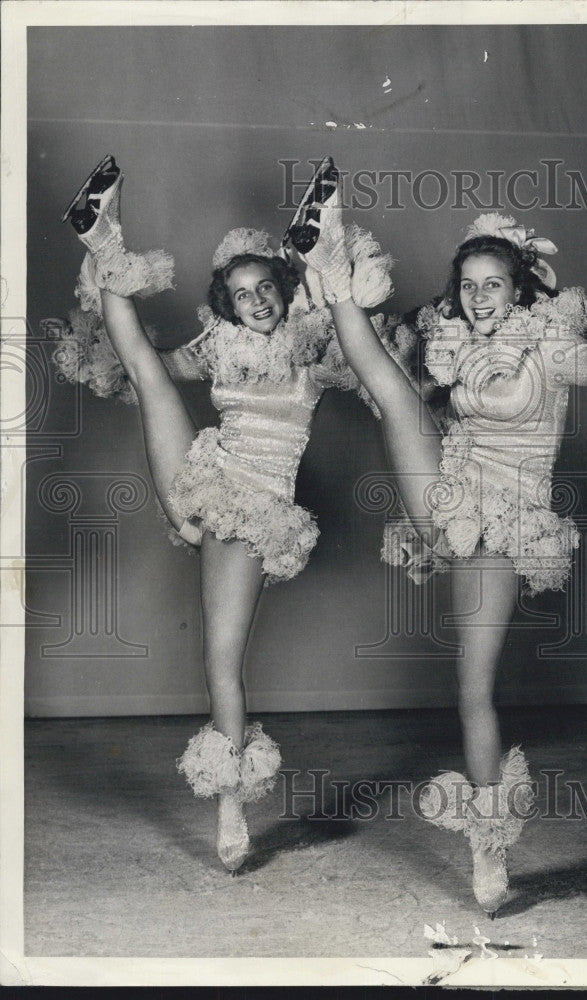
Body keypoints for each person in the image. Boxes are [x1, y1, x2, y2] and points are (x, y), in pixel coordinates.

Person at [285, 160, 587, 917]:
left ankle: (489, 855)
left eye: (492, 284)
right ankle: (325, 249)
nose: (476, 298)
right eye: (467, 284)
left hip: (505, 519)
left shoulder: (554, 346)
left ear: (520, 288)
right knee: (392, 389)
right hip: (446, 490)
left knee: (473, 689)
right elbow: (393, 363)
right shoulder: (451, 341)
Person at [52, 155, 395, 873]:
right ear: (227, 303)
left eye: (265, 288)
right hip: (205, 482)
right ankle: (101, 236)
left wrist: (329, 268)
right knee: (147, 370)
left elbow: (360, 351)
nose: (256, 302)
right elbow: (153, 364)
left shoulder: (309, 347)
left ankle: (232, 799)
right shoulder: (216, 344)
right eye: (241, 294)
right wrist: (119, 365)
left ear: (282, 290)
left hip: (253, 509)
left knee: (222, 663)